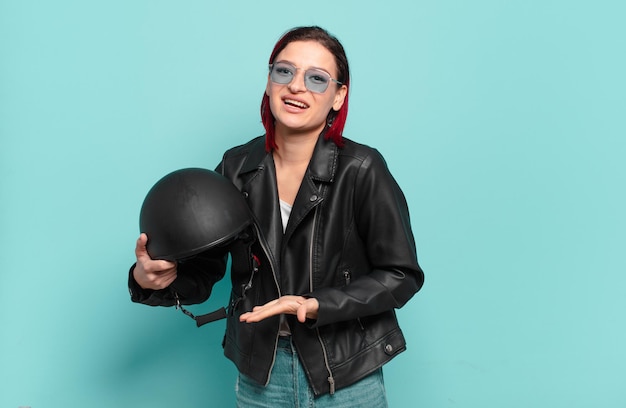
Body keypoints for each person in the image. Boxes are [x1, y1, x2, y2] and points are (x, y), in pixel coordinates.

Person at [129, 26, 424, 407]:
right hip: (263, 374)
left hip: (345, 372)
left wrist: (317, 304)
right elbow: (203, 273)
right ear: (269, 83)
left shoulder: (362, 169)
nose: (296, 86)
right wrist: (152, 279)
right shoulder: (236, 167)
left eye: (317, 79)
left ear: (338, 96)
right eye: (284, 71)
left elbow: (401, 275)